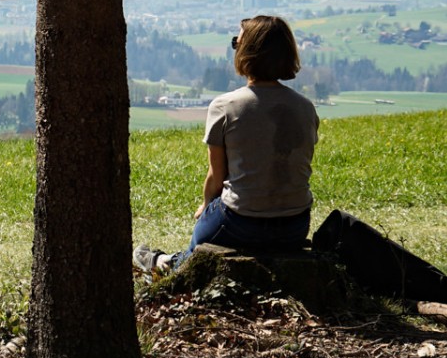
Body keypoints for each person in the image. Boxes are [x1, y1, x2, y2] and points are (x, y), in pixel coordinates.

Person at [134, 14, 319, 274]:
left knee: (194, 257)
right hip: (295, 224)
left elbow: (216, 175)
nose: (235, 47)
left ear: (248, 52)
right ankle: (167, 261)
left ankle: (166, 265)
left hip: (241, 222)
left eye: (237, 43)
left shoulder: (226, 106)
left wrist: (206, 206)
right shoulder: (306, 108)